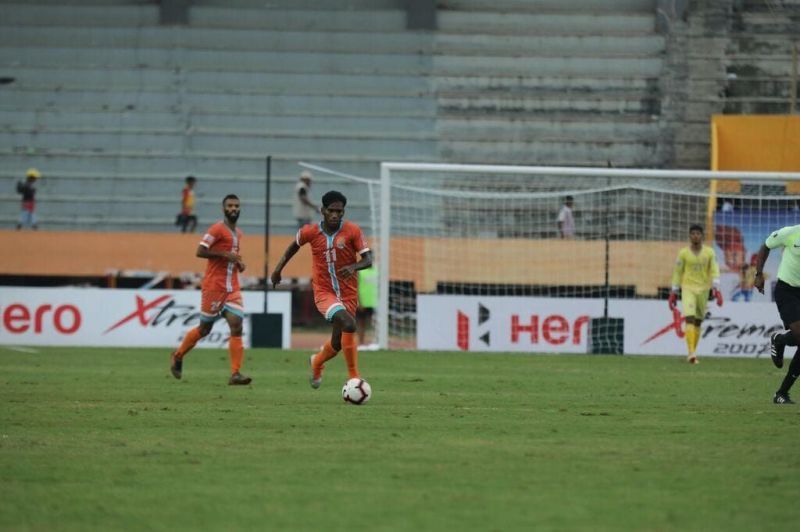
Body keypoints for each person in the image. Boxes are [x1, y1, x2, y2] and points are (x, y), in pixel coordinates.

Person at [271, 190, 372, 389]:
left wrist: (353, 267)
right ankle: (355, 378)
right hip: (324, 292)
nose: (335, 215)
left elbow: (368, 260)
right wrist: (277, 269)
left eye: (339, 211)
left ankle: (317, 362)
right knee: (349, 324)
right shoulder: (310, 231)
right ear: (322, 210)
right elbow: (293, 246)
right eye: (331, 211)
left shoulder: (353, 231)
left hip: (348, 293)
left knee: (336, 344)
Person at [169, 194, 252, 385]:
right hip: (214, 287)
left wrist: (238, 263)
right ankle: (178, 355)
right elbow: (200, 251)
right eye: (230, 206)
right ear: (223, 209)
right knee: (205, 328)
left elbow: (231, 256)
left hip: (232, 288)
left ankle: (235, 374)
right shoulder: (216, 229)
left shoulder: (238, 233)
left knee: (237, 325)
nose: (233, 208)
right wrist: (224, 255)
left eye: (236, 206)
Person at [755, 224, 800, 404]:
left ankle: (781, 393)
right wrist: (759, 274)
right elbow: (765, 246)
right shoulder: (791, 233)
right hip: (787, 291)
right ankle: (780, 340)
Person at [668, 224, 723, 364]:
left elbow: (715, 269)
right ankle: (691, 353)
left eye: (698, 233)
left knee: (698, 321)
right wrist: (674, 291)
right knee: (690, 318)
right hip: (687, 289)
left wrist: (716, 288)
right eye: (693, 233)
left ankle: (693, 352)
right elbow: (677, 272)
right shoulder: (683, 253)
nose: (695, 236)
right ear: (689, 236)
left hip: (704, 290)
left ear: (702, 236)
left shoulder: (709, 253)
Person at [356, 264, 378, 347]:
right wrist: (359, 302)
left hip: (374, 302)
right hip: (363, 303)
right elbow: (356, 287)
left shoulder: (377, 271)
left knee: (375, 323)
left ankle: (376, 341)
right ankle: (361, 343)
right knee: (362, 323)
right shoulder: (360, 272)